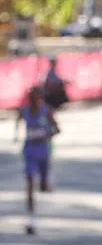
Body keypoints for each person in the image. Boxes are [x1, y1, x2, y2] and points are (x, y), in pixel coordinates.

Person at [15, 86, 57, 235]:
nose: (33, 101)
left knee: (43, 187)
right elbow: (18, 121)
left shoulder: (46, 111)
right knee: (30, 184)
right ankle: (31, 220)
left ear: (40, 98)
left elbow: (57, 129)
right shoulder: (24, 111)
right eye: (31, 98)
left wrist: (46, 134)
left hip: (43, 152)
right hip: (30, 152)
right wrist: (17, 135)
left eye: (36, 98)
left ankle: (47, 181)